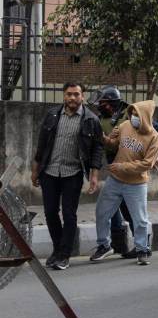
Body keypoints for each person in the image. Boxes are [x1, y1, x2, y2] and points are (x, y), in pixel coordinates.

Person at [31, 82, 103, 270]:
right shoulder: (52, 115)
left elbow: (97, 149)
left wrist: (94, 175)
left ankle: (64, 255)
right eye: (69, 94)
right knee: (50, 213)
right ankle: (58, 250)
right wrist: (35, 170)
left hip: (73, 173)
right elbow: (42, 144)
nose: (72, 97)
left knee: (69, 214)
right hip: (49, 172)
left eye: (76, 94)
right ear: (64, 95)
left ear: (82, 96)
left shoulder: (91, 120)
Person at [89, 101, 158, 265]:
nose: (133, 117)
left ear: (145, 116)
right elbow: (113, 143)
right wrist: (104, 138)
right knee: (101, 212)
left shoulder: (154, 137)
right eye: (132, 114)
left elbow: (148, 163)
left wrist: (123, 166)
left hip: (136, 184)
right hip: (115, 180)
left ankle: (142, 249)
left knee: (140, 219)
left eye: (137, 114)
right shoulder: (125, 125)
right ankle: (104, 245)